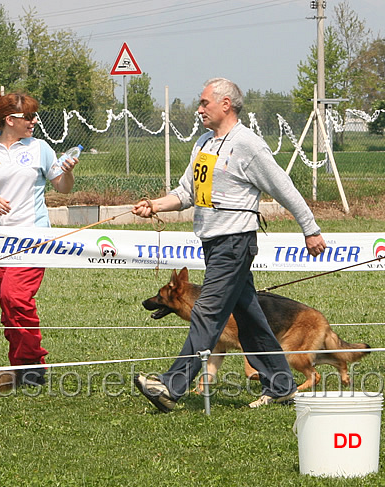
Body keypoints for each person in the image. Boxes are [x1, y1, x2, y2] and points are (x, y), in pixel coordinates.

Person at [132, 78, 327, 411]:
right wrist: (154, 206)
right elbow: (186, 194)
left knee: (206, 313)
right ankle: (281, 385)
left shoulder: (247, 144)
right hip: (212, 244)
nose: (199, 108)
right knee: (250, 319)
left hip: (235, 243)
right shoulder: (203, 144)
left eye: (205, 102)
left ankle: (170, 386)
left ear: (226, 104)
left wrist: (310, 228)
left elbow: (283, 187)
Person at [0, 91, 78, 386]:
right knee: (8, 303)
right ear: (9, 120)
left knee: (16, 296)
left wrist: (68, 172)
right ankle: (21, 366)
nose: (35, 121)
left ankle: (32, 365)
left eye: (35, 116)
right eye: (30, 117)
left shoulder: (40, 148)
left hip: (35, 236)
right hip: (0, 240)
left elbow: (62, 187)